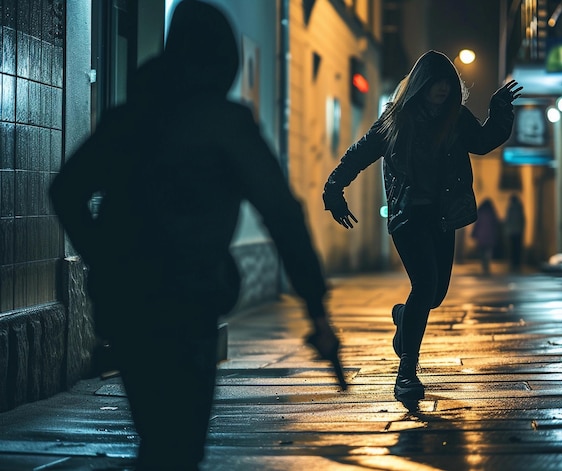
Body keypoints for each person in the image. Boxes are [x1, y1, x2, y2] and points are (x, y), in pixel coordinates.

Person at [49, 2, 343, 469]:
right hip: (190, 301)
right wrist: (316, 309)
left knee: (156, 437)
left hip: (127, 303)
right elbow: (282, 214)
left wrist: (105, 257)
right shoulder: (228, 125)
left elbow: (65, 191)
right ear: (223, 60)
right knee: (179, 444)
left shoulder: (130, 117)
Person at [322, 50, 521, 402]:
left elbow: (484, 141)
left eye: (448, 83)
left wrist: (500, 111)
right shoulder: (397, 120)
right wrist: (334, 189)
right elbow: (359, 153)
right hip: (408, 215)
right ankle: (406, 373)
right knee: (425, 283)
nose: (443, 89)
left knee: (436, 294)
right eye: (436, 83)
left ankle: (404, 318)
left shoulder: (456, 119)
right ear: (421, 85)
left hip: (443, 217)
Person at [471, 198, 500, 275]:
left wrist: (474, 234)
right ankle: (486, 264)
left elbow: (476, 225)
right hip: (490, 236)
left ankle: (484, 264)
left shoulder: (480, 213)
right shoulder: (492, 213)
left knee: (482, 251)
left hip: (481, 236)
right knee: (488, 251)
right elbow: (495, 224)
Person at [504, 193, 526, 271]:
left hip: (511, 231)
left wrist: (507, 230)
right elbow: (522, 219)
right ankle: (517, 262)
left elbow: (508, 220)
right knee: (518, 247)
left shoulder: (510, 208)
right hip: (518, 231)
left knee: (512, 247)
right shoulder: (519, 208)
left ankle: (513, 262)